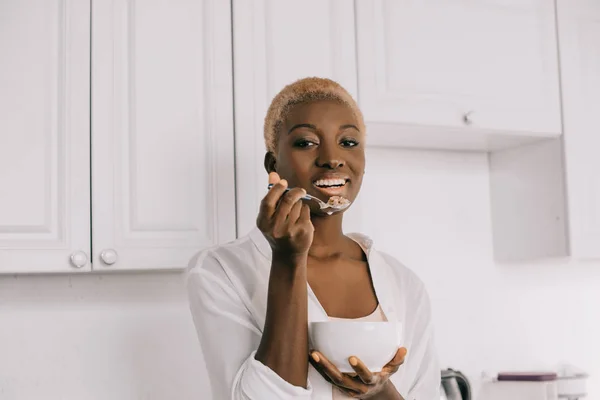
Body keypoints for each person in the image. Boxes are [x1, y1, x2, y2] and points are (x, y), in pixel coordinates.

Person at [187, 77, 440, 399]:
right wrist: (287, 259)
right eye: (306, 143)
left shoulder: (404, 282)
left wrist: (378, 393)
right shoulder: (219, 271)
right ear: (273, 165)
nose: (332, 158)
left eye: (348, 143)